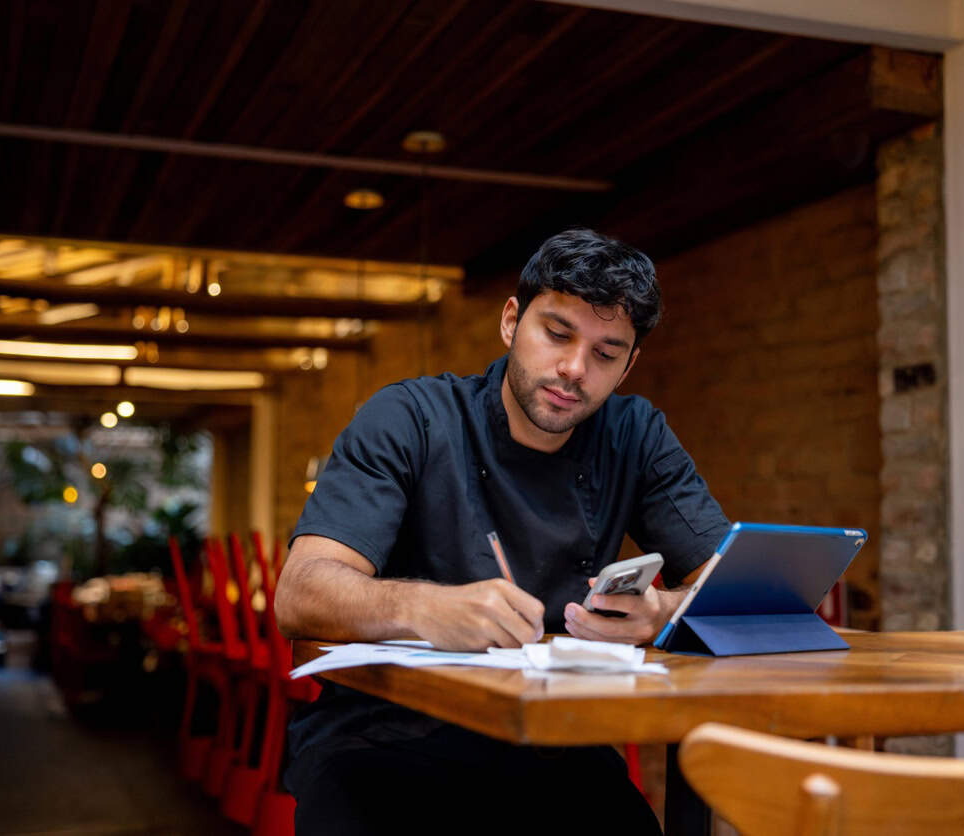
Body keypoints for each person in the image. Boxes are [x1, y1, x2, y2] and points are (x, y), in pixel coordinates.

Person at [276, 228, 730, 835]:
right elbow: (300, 591)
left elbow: (733, 588)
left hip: (554, 747)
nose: (573, 370)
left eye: (605, 353)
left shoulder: (635, 435)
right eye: (558, 334)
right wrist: (426, 606)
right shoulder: (411, 418)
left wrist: (664, 612)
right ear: (512, 321)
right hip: (382, 741)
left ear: (629, 364)